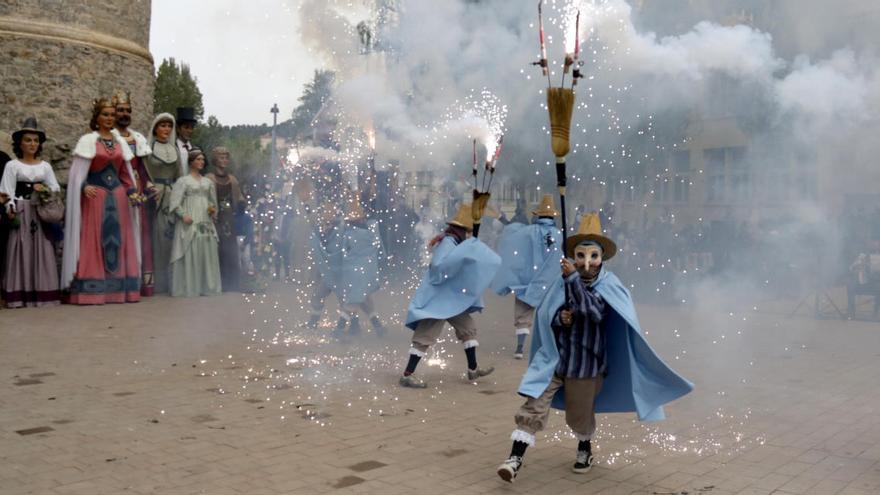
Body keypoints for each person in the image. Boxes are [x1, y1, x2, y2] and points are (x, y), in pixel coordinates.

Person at [496, 213, 693, 482]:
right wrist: (559, 318)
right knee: (533, 405)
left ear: (602, 258)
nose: (586, 263)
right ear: (574, 256)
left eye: (593, 256)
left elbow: (593, 311)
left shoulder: (607, 286)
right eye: (580, 256)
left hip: (586, 365)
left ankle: (584, 448)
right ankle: (514, 459)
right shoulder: (562, 282)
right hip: (555, 360)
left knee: (579, 417)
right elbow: (546, 314)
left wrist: (573, 283)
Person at [399, 203, 501, 388]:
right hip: (439, 300)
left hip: (453, 298)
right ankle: (408, 374)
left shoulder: (454, 242)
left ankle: (473, 369)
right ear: (461, 230)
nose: (468, 234)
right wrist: (463, 256)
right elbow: (439, 267)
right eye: (467, 231)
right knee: (425, 335)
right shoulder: (448, 242)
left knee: (468, 329)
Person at [62, 97, 141, 305]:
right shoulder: (88, 141)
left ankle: (119, 290)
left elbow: (125, 173)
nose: (109, 118)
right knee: (94, 239)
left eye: (112, 115)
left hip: (118, 197)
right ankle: (92, 291)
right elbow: (77, 174)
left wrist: (132, 191)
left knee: (119, 239)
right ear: (96, 118)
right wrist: (83, 185)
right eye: (105, 114)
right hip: (95, 197)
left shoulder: (120, 142)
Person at [491, 194, 562, 359]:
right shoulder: (558, 235)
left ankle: (520, 348)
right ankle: (549, 347)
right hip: (550, 280)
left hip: (528, 278)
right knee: (549, 314)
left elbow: (512, 235)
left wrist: (503, 220)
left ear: (538, 215)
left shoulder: (528, 231)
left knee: (523, 313)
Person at [0, 118, 61, 307]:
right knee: (20, 249)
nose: (32, 144)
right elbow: (6, 191)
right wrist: (10, 209)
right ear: (20, 143)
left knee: (42, 250)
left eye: (35, 141)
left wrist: (44, 191)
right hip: (21, 210)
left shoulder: (45, 167)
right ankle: (19, 294)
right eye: (28, 140)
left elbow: (56, 189)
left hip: (39, 212)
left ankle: (42, 293)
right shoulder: (12, 166)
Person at [113, 91, 154, 296]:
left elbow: (144, 167)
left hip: (136, 186)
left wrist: (148, 185)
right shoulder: (109, 136)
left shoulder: (137, 137)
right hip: (116, 188)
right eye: (120, 110)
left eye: (128, 110)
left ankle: (138, 281)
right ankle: (119, 280)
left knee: (140, 233)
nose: (124, 114)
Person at [168, 149, 221, 297]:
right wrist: (183, 215)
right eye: (198, 159)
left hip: (205, 219)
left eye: (203, 160)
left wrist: (213, 210)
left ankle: (207, 286)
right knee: (190, 248)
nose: (201, 162)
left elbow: (213, 202)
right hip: (190, 219)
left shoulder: (208, 182)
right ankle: (189, 287)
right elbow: (175, 202)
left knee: (206, 249)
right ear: (191, 162)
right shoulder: (183, 181)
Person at [332, 198, 387, 338]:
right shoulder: (372, 231)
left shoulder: (349, 234)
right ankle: (378, 326)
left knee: (353, 301)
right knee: (365, 299)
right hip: (367, 272)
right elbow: (380, 251)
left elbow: (342, 253)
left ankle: (339, 329)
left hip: (354, 273)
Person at [142, 113, 182, 294]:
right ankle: (155, 282)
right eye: (162, 125)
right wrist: (149, 187)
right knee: (155, 237)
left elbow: (179, 176)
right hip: (154, 195)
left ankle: (171, 281)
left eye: (169, 126)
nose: (166, 129)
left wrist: (179, 196)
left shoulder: (175, 150)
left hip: (171, 195)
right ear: (155, 128)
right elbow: (142, 172)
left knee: (170, 237)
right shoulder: (148, 149)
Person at [206, 146, 243, 291]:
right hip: (215, 216)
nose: (225, 160)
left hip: (229, 216)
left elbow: (239, 196)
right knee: (217, 247)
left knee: (230, 248)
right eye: (221, 157)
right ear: (215, 159)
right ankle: (218, 282)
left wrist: (241, 204)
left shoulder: (232, 179)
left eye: (226, 157)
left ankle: (232, 282)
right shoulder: (209, 178)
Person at [176, 107, 197, 176]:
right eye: (186, 127)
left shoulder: (196, 149)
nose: (189, 131)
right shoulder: (173, 148)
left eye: (191, 128)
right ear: (178, 129)